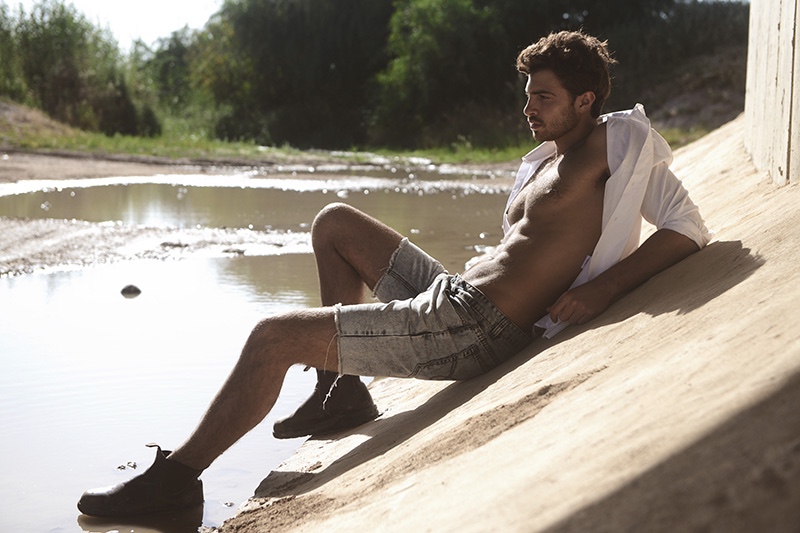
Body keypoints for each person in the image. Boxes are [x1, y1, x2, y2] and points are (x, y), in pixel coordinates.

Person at [78, 29, 711, 517]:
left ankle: (177, 482)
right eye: (526, 96)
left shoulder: (617, 143)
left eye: (543, 97)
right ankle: (341, 391)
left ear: (586, 99)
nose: (529, 109)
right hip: (453, 296)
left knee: (272, 336)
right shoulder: (549, 158)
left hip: (472, 328)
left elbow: (686, 225)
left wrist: (603, 288)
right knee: (334, 222)